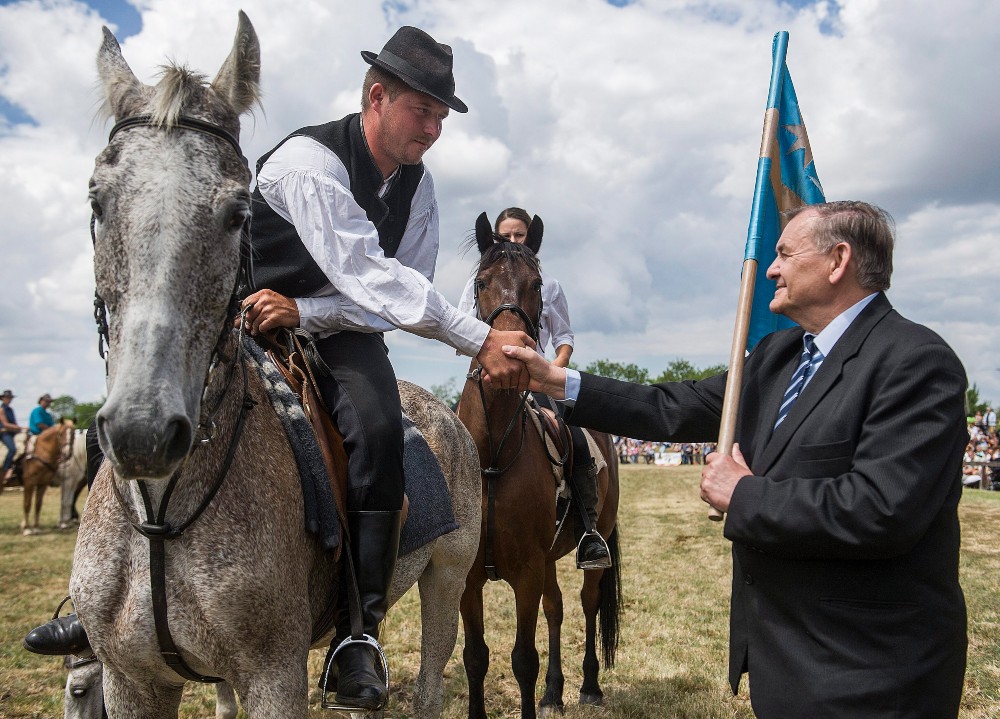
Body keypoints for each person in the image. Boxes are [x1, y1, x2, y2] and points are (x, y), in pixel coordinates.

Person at [502, 201, 968, 718]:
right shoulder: (778, 357)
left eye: (785, 254)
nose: (770, 269)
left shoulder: (915, 362)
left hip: (871, 675)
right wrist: (555, 381)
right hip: (785, 665)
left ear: (838, 261)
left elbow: (882, 509)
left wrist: (744, 494)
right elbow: (669, 407)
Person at [238, 26, 531, 710]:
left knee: (375, 427)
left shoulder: (419, 189)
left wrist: (305, 314)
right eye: (421, 109)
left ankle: (358, 633)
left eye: (440, 115)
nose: (432, 127)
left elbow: (393, 296)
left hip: (333, 327)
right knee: (156, 374)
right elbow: (370, 273)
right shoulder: (310, 161)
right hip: (247, 310)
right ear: (377, 95)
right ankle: (101, 596)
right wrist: (476, 338)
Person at [457, 207, 611, 570]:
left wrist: (553, 372)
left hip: (537, 375)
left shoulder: (548, 284)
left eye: (519, 235)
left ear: (531, 239)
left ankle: (588, 529)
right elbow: (460, 327)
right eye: (505, 236)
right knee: (452, 435)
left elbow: (564, 337)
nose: (513, 241)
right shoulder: (478, 280)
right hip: (486, 376)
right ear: (492, 240)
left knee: (574, 435)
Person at [1, 389, 27, 485]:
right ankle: (6, 469)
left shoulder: (11, 410)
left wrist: (21, 429)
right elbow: (5, 424)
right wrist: (21, 427)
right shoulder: (1, 410)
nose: (9, 399)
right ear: (3, 399)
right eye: (7, 397)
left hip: (13, 432)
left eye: (10, 398)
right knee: (12, 449)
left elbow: (14, 423)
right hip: (4, 433)